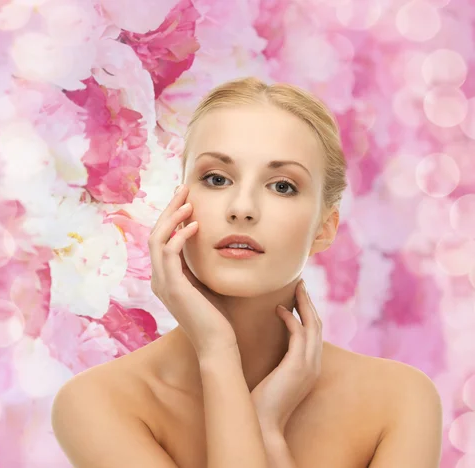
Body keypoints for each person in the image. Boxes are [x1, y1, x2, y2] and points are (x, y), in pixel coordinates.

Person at [51, 77, 443, 467]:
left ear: (325, 228)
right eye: (216, 179)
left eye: (283, 186)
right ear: (177, 201)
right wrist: (218, 353)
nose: (242, 208)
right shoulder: (98, 402)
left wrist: (266, 428)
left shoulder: (399, 401)